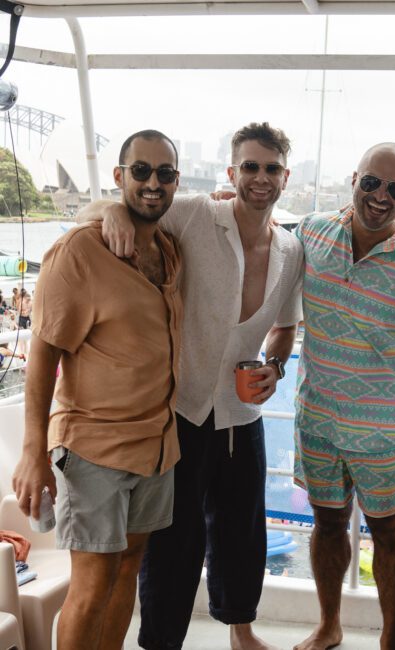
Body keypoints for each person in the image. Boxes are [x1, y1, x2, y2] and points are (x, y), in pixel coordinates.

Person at [79, 122, 303, 650]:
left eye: (271, 168)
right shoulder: (197, 214)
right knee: (173, 543)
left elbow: (286, 327)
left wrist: (275, 365)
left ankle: (241, 630)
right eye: (250, 167)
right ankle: (160, 642)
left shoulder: (292, 251)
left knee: (243, 534)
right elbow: (134, 209)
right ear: (232, 172)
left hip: (240, 415)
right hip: (182, 406)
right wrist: (112, 209)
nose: (260, 178)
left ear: (285, 177)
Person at [12, 129, 183, 650]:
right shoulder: (80, 251)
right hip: (93, 448)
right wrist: (33, 453)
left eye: (165, 174)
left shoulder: (170, 251)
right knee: (90, 583)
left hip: (156, 446)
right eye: (141, 172)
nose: (153, 184)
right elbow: (42, 354)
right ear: (119, 177)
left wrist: (104, 208)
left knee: (128, 569)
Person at [293, 143, 395, 650]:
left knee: (389, 532)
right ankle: (329, 624)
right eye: (373, 183)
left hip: (385, 429)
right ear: (354, 178)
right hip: (317, 418)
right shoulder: (312, 231)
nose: (381, 197)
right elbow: (260, 246)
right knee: (327, 522)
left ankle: (389, 641)